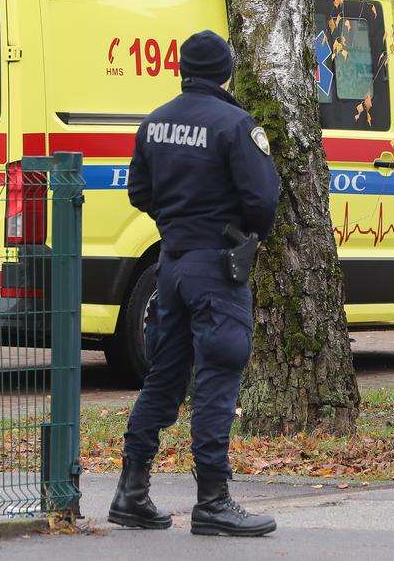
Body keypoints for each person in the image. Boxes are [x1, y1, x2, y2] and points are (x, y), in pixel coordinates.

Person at [109, 29, 281, 536]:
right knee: (217, 377)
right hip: (217, 269)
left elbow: (138, 191)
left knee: (164, 375)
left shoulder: (155, 123)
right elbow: (263, 201)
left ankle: (131, 490)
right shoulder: (235, 124)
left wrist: (176, 220)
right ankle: (213, 500)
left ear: (182, 69)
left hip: (172, 265)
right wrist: (241, 231)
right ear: (226, 71)